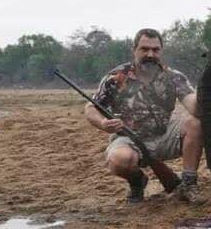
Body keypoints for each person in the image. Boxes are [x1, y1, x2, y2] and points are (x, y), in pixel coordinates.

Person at [84, 28, 203, 204]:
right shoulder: (116, 77)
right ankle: (137, 181)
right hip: (129, 138)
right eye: (144, 49)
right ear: (134, 50)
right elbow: (90, 108)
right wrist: (103, 123)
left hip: (165, 134)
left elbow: (192, 103)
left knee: (196, 123)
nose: (150, 54)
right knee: (119, 160)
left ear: (161, 51)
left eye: (155, 50)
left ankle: (188, 184)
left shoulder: (174, 77)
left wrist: (205, 98)